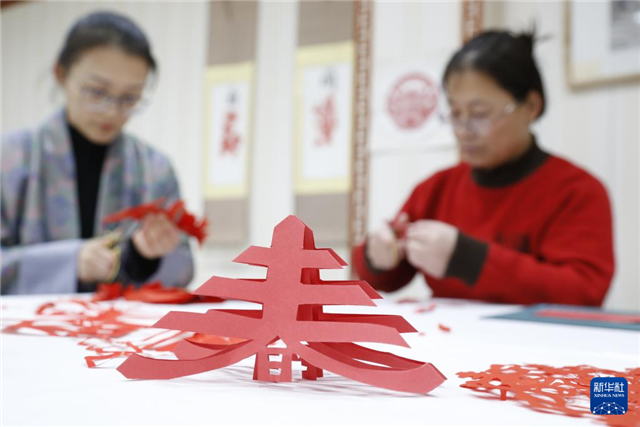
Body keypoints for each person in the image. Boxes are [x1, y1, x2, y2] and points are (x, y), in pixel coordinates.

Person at [352, 30, 614, 306]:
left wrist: (468, 259)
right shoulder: (436, 188)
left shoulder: (576, 191)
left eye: (479, 114)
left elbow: (584, 293)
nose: (464, 131)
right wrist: (377, 255)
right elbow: (383, 278)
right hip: (451, 333)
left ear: (531, 106)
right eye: (455, 113)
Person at [1, 11, 194, 295]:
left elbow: (183, 268)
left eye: (130, 97)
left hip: (122, 324)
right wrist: (69, 263)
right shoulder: (10, 157)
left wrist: (142, 256)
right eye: (96, 92)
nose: (112, 110)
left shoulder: (155, 169)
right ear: (61, 74)